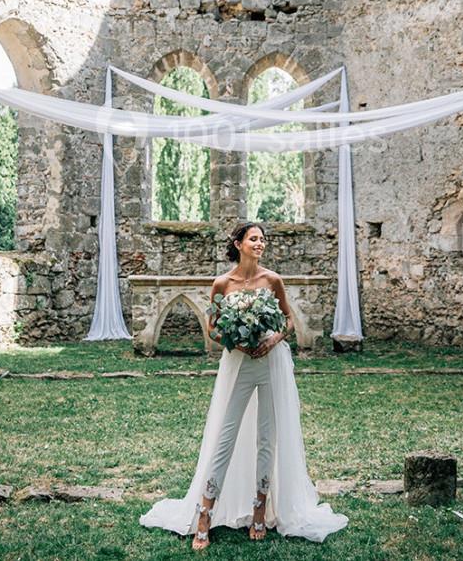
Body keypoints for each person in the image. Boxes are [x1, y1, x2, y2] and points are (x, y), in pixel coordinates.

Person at [139, 222, 348, 549]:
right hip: (238, 362)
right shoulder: (222, 284)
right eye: (254, 239)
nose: (260, 243)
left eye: (263, 239)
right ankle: (206, 510)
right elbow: (212, 329)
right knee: (225, 435)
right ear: (238, 243)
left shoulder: (272, 280)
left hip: (270, 361)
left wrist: (275, 337)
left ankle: (260, 507)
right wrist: (236, 340)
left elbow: (288, 320)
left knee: (267, 436)